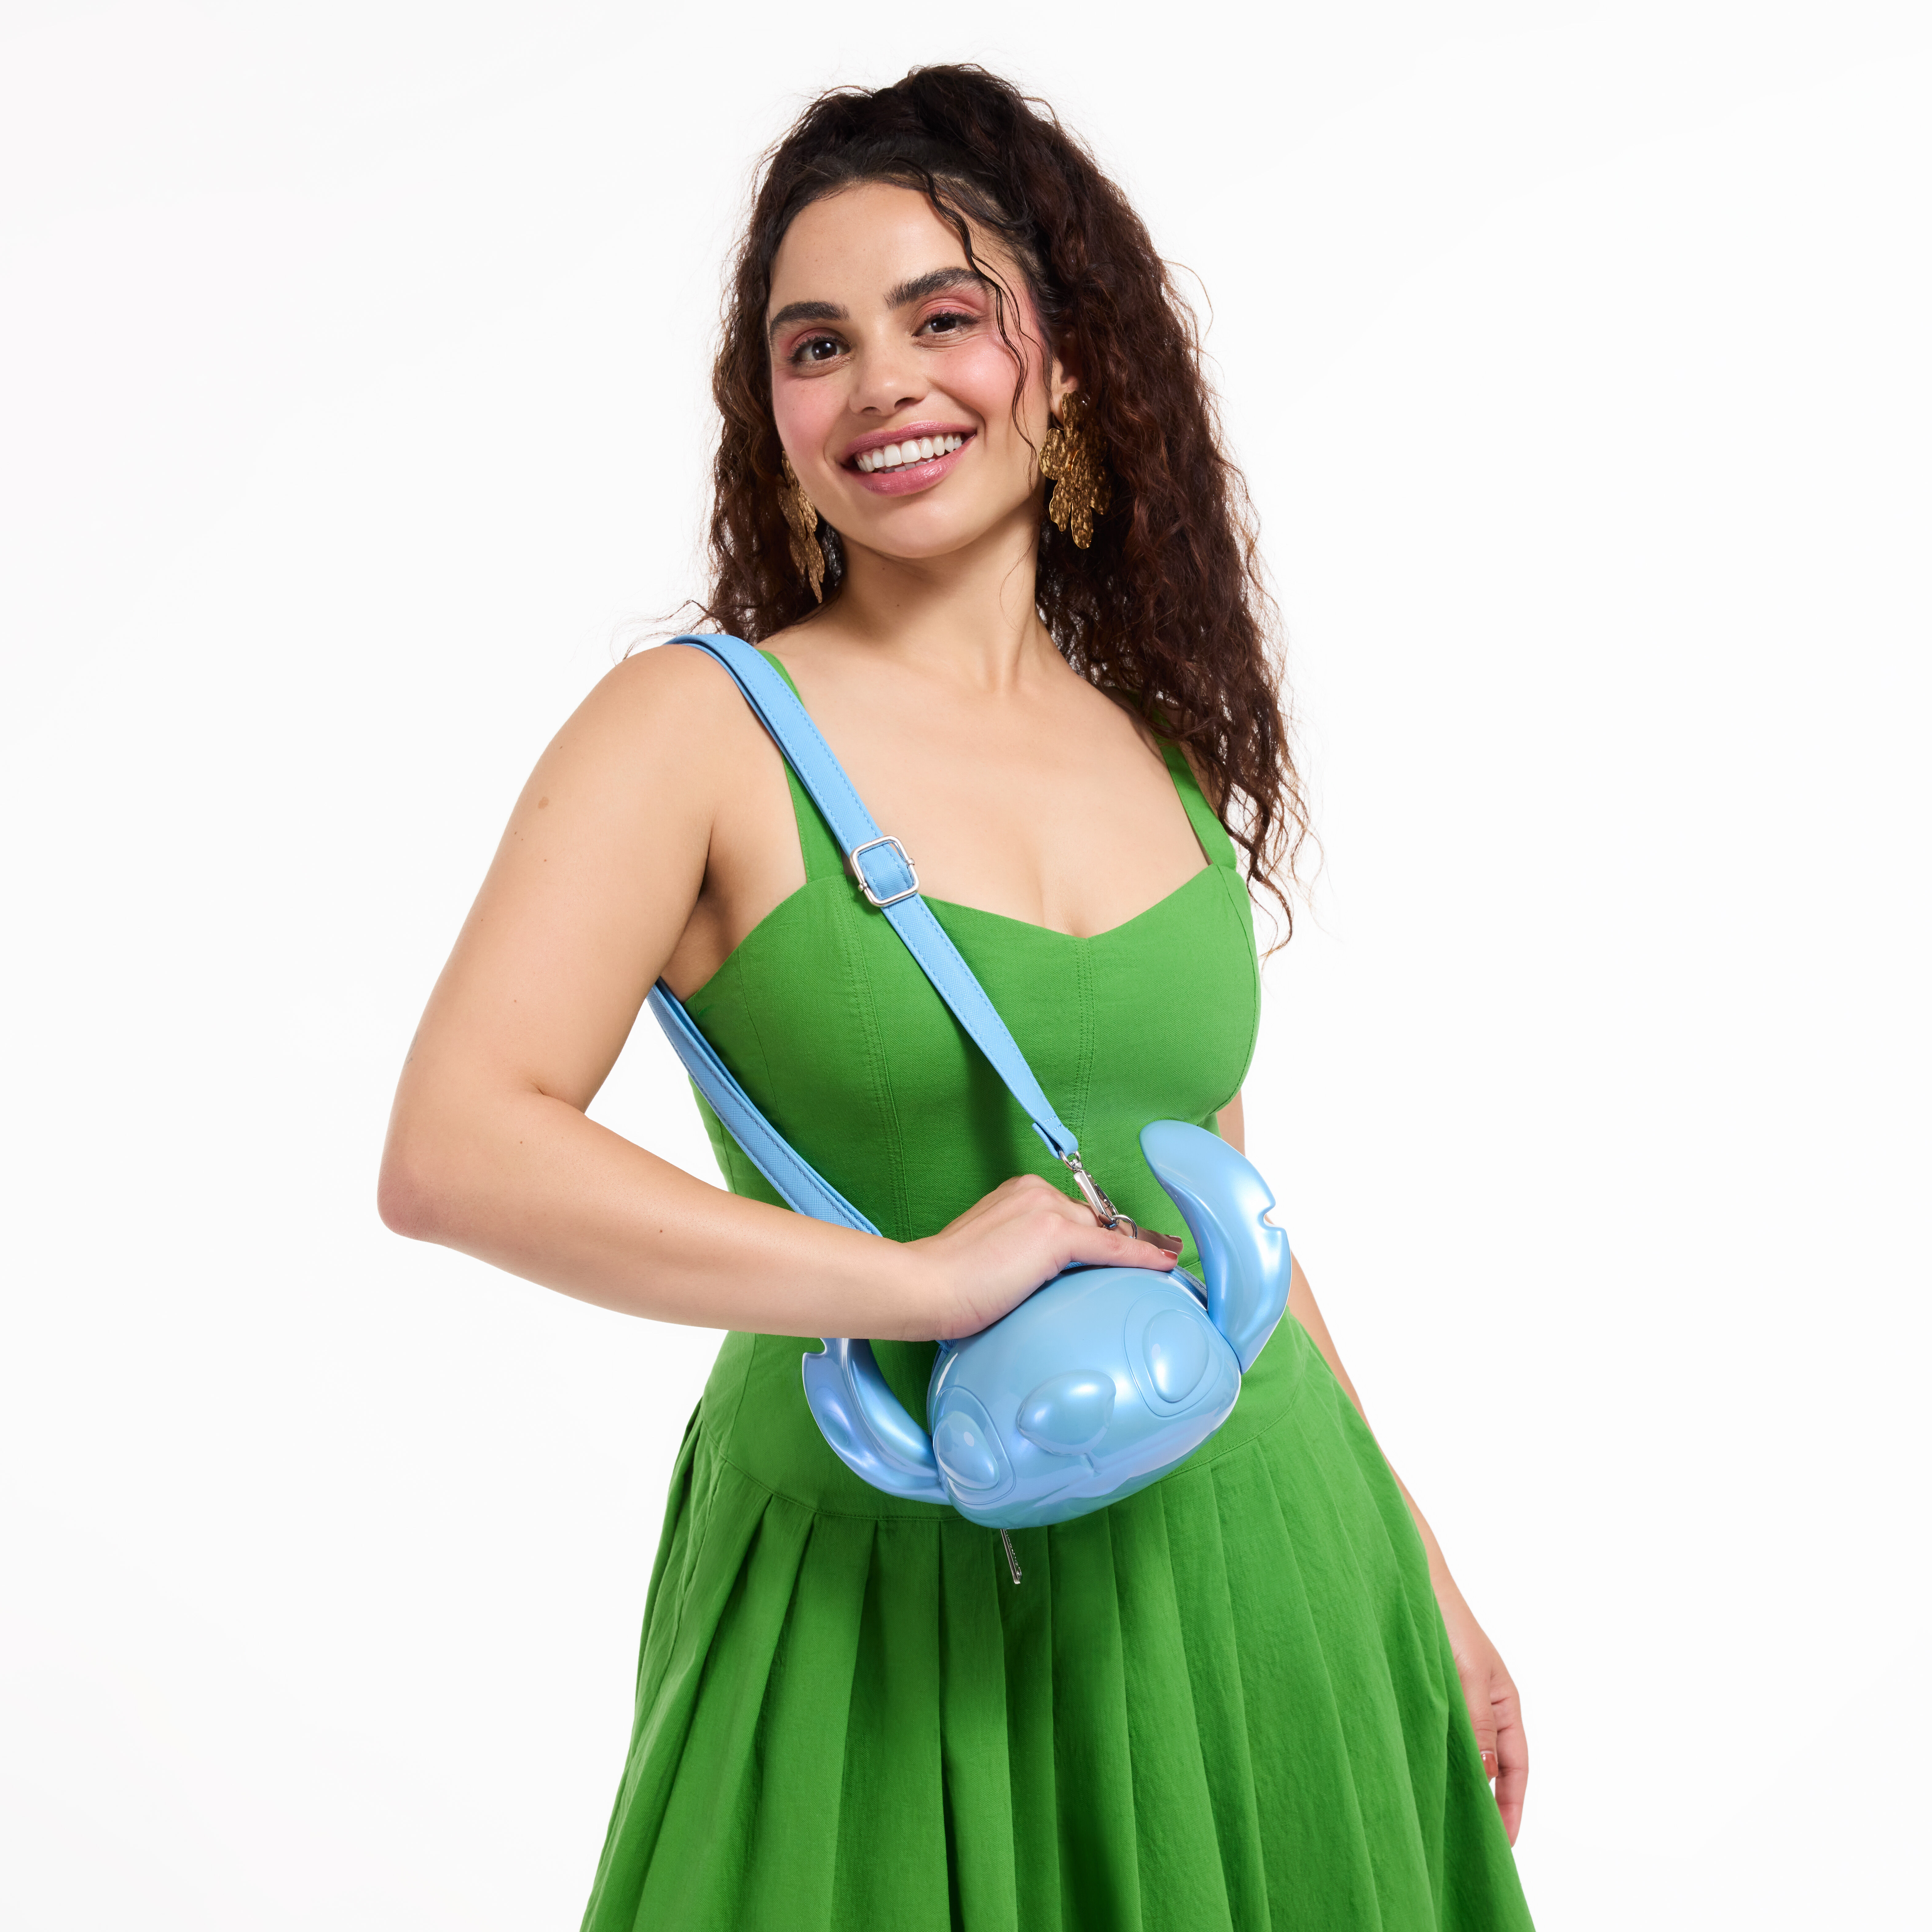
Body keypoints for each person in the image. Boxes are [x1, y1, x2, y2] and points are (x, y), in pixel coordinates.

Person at [379, 64, 1534, 1932]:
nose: (883, 385)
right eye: (816, 345)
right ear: (770, 412)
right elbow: (454, 1149)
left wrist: (1426, 1573)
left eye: (943, 318)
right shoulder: (692, 729)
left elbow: (1219, 1203)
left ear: (1067, 366)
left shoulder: (1154, 747)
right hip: (885, 1587)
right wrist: (917, 1285)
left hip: (1256, 1552)